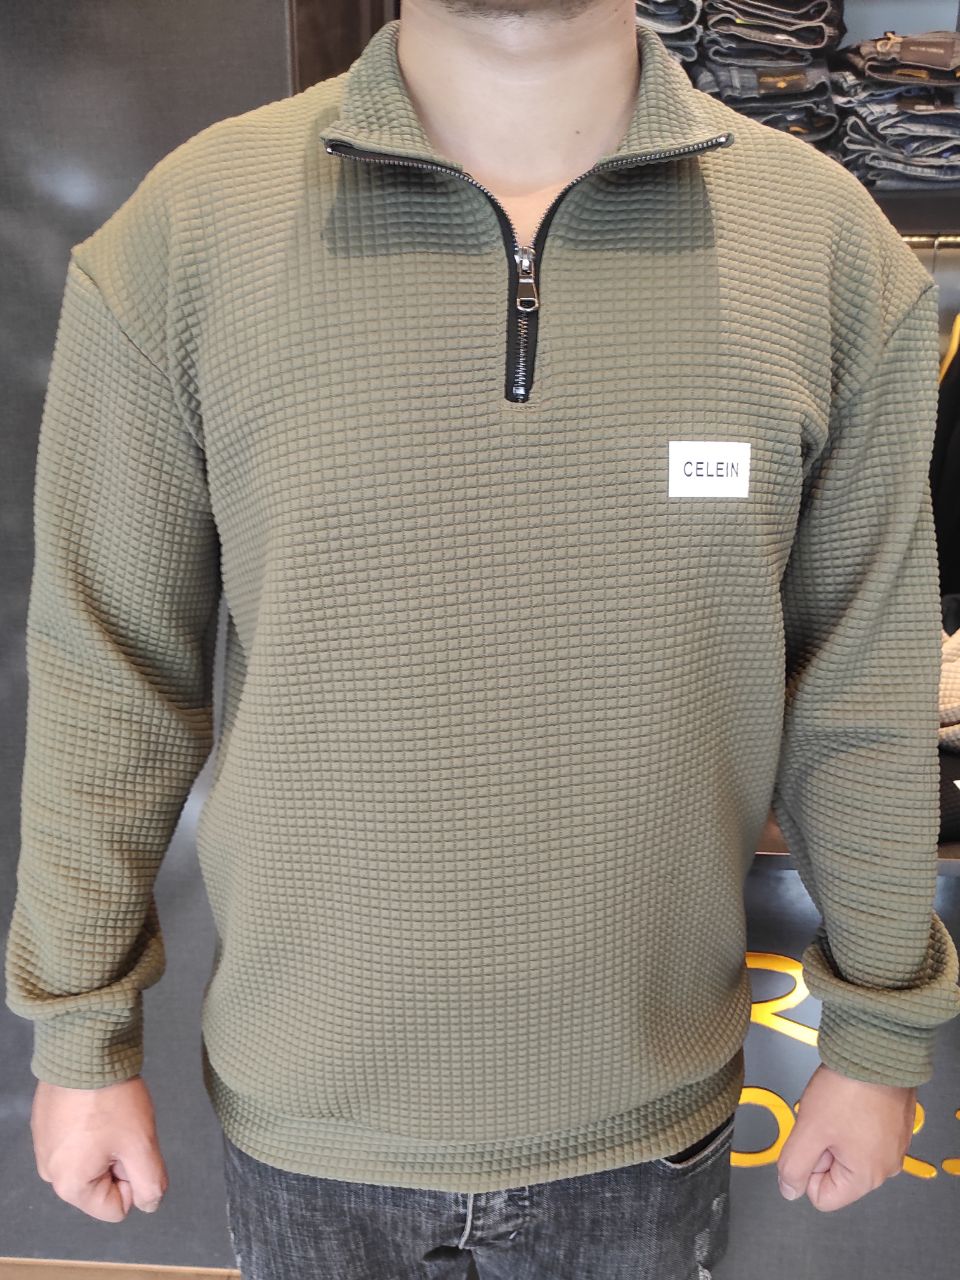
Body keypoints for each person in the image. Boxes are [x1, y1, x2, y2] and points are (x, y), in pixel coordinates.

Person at [7, 0, 960, 1276]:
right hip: (307, 1118)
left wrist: (880, 1035)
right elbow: (108, 672)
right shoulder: (187, 233)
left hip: (647, 1117)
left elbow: (862, 682)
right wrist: (79, 1033)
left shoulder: (828, 250)